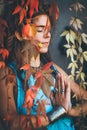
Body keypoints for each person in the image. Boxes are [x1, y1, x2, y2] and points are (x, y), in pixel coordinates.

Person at [0, 0, 87, 130]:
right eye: (40, 30)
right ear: (19, 34)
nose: (48, 35)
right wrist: (56, 112)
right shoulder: (8, 74)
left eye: (49, 30)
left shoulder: (54, 69)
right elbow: (10, 123)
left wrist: (69, 111)